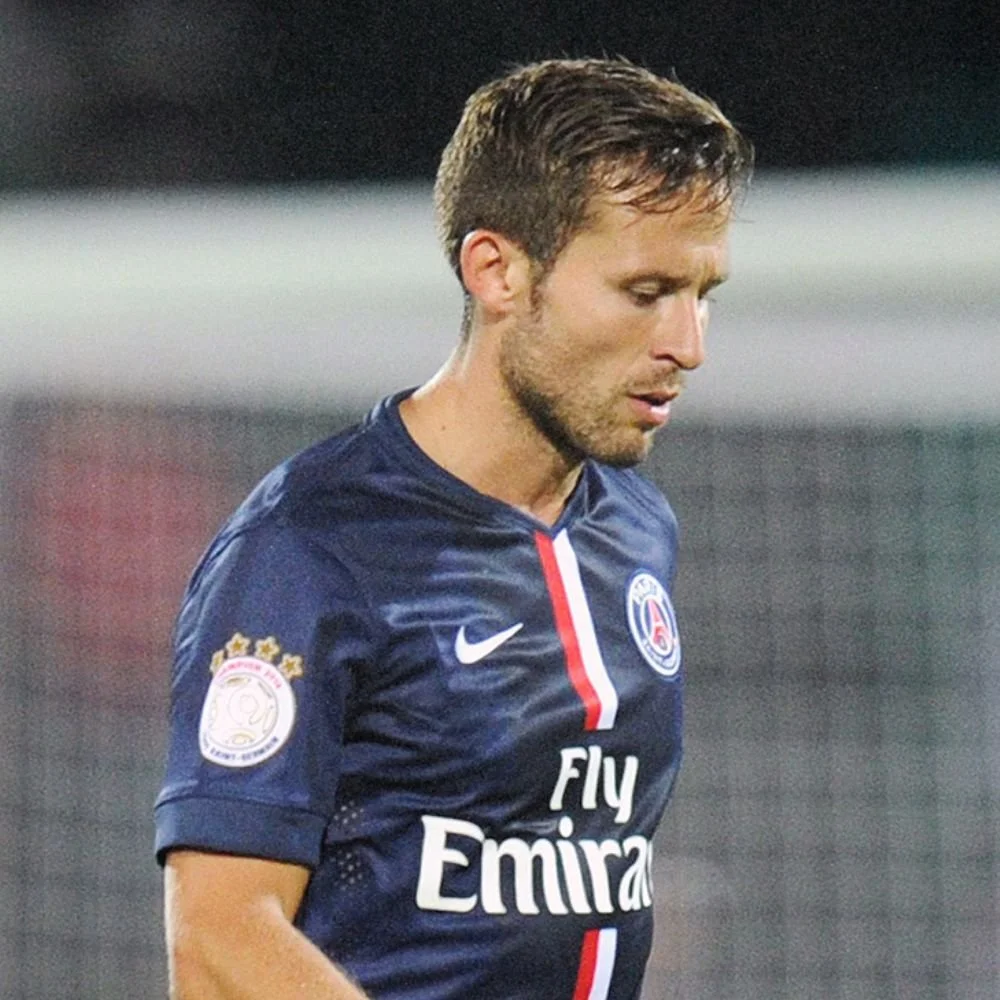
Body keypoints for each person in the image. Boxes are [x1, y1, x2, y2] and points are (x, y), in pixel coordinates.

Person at [155, 57, 753, 1000]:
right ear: (498, 270)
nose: (688, 344)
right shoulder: (308, 546)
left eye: (703, 293)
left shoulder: (636, 525)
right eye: (645, 293)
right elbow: (220, 940)